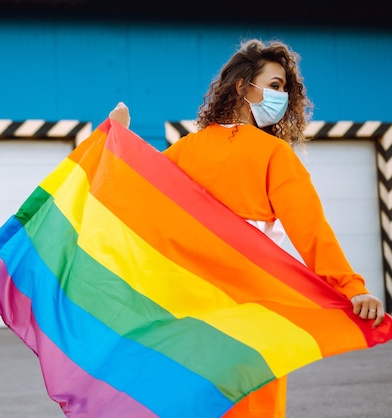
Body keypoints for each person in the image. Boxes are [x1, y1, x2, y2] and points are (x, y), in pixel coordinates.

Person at [109, 39, 385, 418]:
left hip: (190, 316)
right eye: (274, 85)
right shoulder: (273, 154)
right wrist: (351, 288)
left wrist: (117, 141)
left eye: (285, 89)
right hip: (254, 317)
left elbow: (130, 200)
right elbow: (312, 232)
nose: (282, 97)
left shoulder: (184, 151)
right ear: (242, 87)